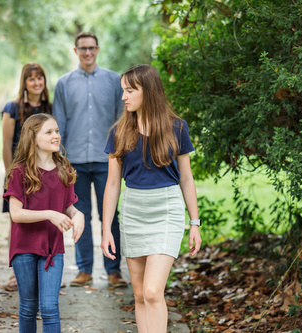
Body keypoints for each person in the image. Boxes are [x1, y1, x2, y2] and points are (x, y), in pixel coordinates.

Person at [101, 64, 202, 333]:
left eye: (130, 90)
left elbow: (186, 178)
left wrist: (195, 223)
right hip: (133, 211)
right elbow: (112, 184)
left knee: (153, 291)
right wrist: (106, 229)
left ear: (150, 91)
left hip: (166, 211)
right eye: (123, 90)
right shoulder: (119, 132)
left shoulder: (177, 128)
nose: (124, 97)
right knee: (139, 295)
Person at [53, 32, 127, 288]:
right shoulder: (63, 84)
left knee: (110, 216)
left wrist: (120, 154)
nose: (87, 52)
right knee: (79, 215)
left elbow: (121, 120)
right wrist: (59, 159)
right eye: (82, 48)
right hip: (74, 161)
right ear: (75, 51)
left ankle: (114, 270)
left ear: (98, 49)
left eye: (91, 48)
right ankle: (84, 270)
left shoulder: (114, 80)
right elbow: (59, 123)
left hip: (108, 161)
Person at [3, 113, 85, 333]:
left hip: (52, 248)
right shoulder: (19, 172)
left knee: (50, 307)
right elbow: (16, 214)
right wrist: (50, 214)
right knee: (28, 307)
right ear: (33, 138)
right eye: (49, 132)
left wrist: (78, 215)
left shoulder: (64, 170)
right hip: (25, 248)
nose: (56, 136)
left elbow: (68, 206)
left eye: (57, 131)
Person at [1, 63, 52, 288]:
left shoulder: (50, 108)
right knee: (18, 221)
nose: (36, 82)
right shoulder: (11, 108)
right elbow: (6, 144)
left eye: (40, 78)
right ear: (24, 82)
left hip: (45, 172)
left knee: (46, 219)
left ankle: (47, 268)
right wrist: (9, 174)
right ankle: (18, 273)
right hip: (20, 173)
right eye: (31, 79)